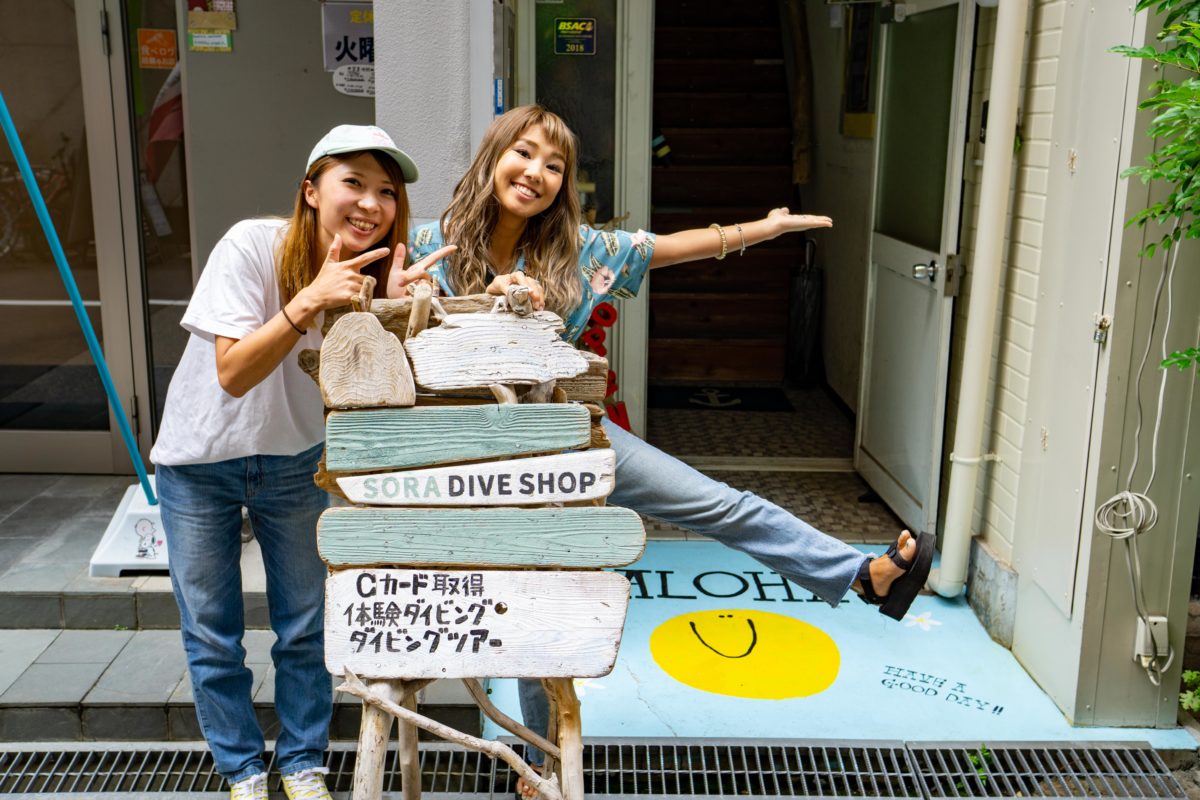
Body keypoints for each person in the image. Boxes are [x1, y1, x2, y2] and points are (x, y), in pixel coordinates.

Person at [403, 105, 934, 798]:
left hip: (572, 432)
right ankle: (540, 761)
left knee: (720, 504)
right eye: (524, 153)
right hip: (477, 459)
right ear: (492, 156)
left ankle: (863, 576)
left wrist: (764, 229)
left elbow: (673, 247)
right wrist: (460, 298)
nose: (536, 173)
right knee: (536, 603)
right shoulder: (427, 243)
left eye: (554, 165)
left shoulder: (579, 251)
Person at [150, 124, 452, 800]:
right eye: (354, 183)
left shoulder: (373, 275)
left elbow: (381, 389)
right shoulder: (251, 246)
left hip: (296, 462)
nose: (371, 203)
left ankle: (302, 763)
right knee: (212, 631)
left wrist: (397, 312)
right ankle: (242, 770)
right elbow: (233, 373)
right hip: (199, 461)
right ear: (312, 191)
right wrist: (310, 298)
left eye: (386, 191)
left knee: (307, 626)